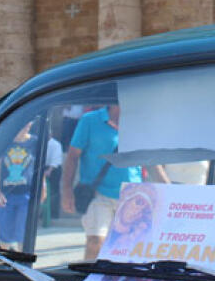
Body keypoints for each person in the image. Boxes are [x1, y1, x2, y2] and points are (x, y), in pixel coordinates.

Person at [60, 105, 169, 261]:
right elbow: (72, 156)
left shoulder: (140, 122)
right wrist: (67, 190)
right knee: (95, 242)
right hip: (97, 193)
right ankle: (89, 279)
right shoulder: (90, 120)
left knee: (126, 251)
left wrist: (170, 190)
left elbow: (151, 161)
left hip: (132, 195)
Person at [0, 121, 41, 250]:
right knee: (5, 230)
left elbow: (39, 166)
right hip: (6, 193)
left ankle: (21, 261)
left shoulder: (35, 142)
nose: (24, 128)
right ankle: (4, 259)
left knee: (23, 231)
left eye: (27, 125)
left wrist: (42, 187)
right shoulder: (4, 141)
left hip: (27, 193)